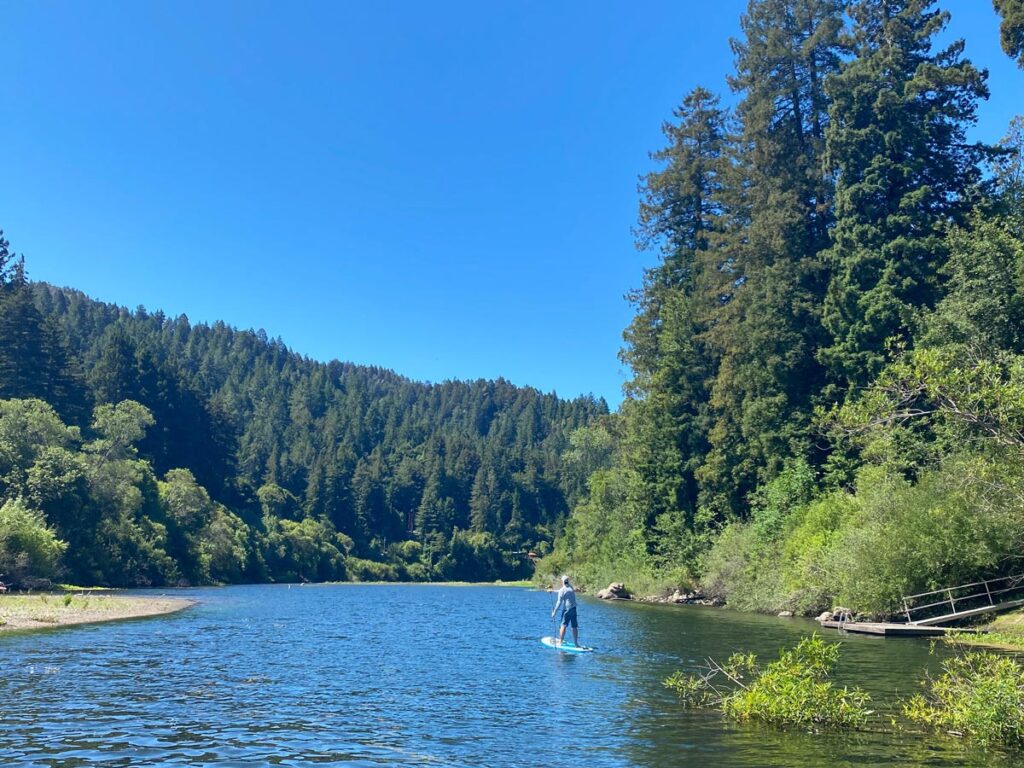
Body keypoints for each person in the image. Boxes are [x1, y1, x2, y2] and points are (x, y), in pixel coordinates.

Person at [551, 574, 579, 647]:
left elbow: (559, 602)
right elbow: (563, 591)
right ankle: (576, 643)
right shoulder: (571, 587)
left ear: (562, 582)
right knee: (574, 626)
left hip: (567, 610)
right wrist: (553, 591)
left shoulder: (562, 590)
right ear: (567, 581)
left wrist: (554, 612)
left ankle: (560, 642)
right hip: (574, 609)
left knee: (563, 625)